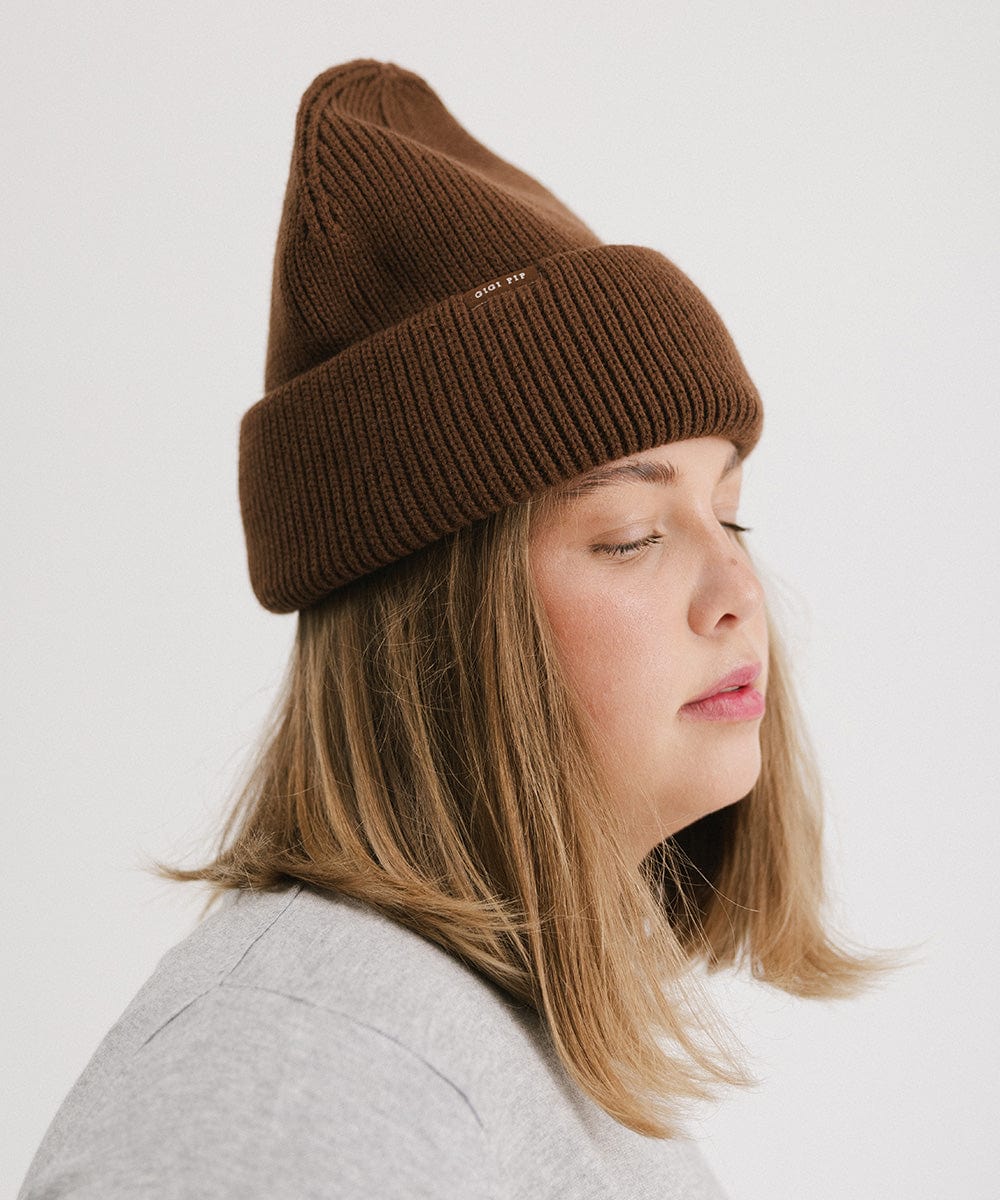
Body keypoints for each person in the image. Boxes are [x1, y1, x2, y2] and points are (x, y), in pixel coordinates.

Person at [17, 57, 901, 1199]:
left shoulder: (495, 1040)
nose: (736, 587)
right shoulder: (310, 1079)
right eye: (632, 532)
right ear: (433, 625)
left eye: (730, 511)